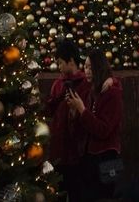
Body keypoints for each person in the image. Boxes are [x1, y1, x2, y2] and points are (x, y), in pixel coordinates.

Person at [66, 48, 123, 201]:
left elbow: (103, 130)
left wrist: (82, 110)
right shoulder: (91, 90)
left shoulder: (112, 93)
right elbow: (82, 127)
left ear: (99, 67)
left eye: (91, 67)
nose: (87, 71)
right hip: (89, 157)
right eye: (85, 66)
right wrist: (74, 113)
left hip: (106, 158)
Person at [44, 39, 91, 202]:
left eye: (61, 63)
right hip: (58, 152)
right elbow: (48, 110)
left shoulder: (86, 84)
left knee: (78, 194)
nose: (59, 67)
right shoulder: (58, 84)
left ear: (71, 61)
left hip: (78, 153)